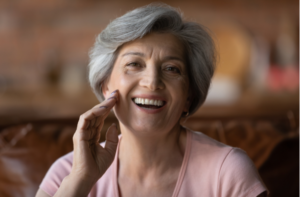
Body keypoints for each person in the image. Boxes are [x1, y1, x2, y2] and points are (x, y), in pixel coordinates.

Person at [36, 4, 268, 197]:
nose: (152, 81)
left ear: (189, 96)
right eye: (134, 64)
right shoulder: (66, 172)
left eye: (171, 68)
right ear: (106, 86)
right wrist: (80, 181)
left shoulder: (227, 172)